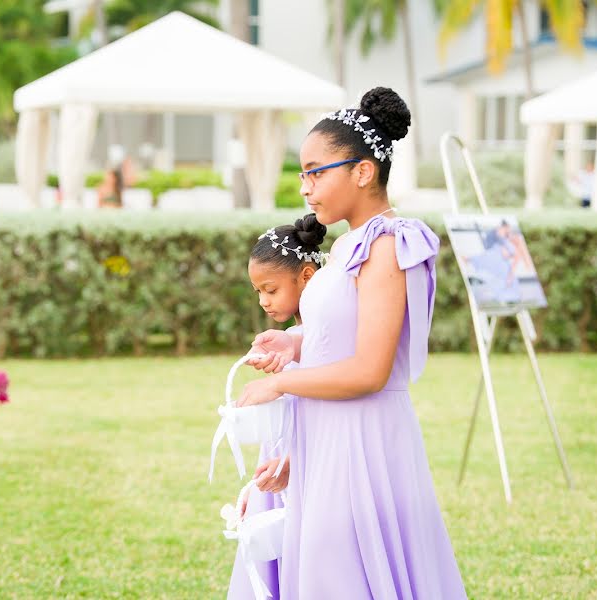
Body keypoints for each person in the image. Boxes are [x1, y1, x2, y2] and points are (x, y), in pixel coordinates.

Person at [238, 87, 467, 599]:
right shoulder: (345, 245)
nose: (305, 186)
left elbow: (370, 370)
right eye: (302, 173)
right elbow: (340, 335)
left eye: (316, 171)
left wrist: (280, 387)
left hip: (365, 441)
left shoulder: (388, 245)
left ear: (363, 171)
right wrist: (295, 341)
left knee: (341, 576)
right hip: (327, 434)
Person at [227, 214, 326, 600]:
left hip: (309, 460)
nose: (263, 301)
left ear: (306, 276)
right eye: (257, 291)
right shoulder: (286, 340)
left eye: (270, 289)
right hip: (280, 461)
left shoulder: (319, 339)